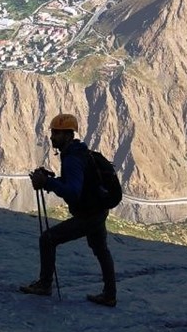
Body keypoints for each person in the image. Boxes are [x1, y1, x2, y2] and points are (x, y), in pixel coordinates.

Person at [21, 113, 117, 307]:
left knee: (48, 239)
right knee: (100, 249)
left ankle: (45, 284)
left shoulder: (73, 158)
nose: (52, 137)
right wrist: (51, 180)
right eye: (53, 132)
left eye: (57, 133)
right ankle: (110, 294)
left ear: (68, 135)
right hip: (97, 211)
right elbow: (75, 185)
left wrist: (47, 182)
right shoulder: (79, 153)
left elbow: (72, 192)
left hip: (87, 215)